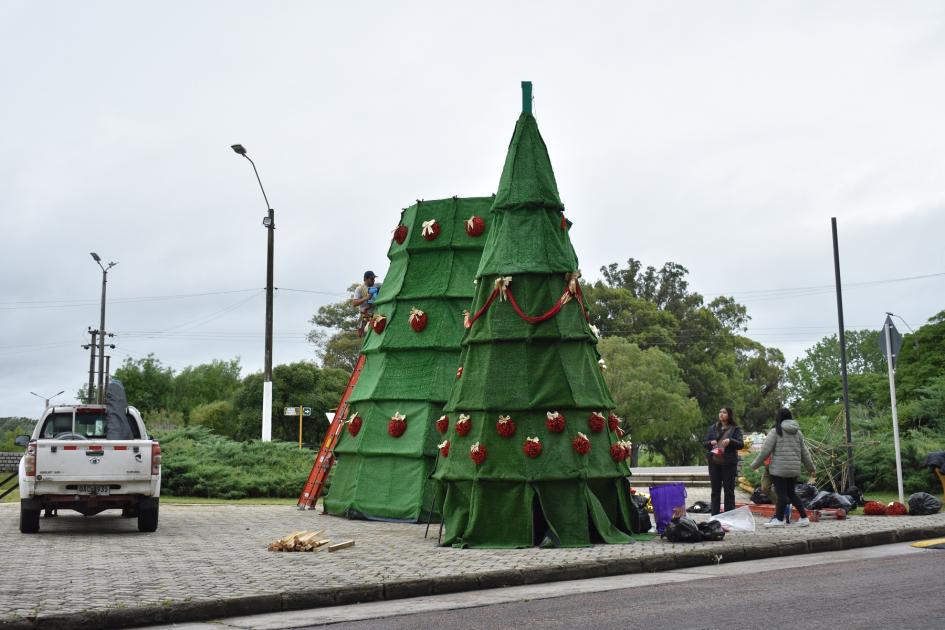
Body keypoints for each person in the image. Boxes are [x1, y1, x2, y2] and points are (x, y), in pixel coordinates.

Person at [751, 407, 816, 527]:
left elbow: (765, 451)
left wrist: (754, 465)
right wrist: (811, 468)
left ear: (779, 417)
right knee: (791, 494)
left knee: (781, 495)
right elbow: (805, 453)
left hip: (779, 470)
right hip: (794, 470)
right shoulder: (798, 433)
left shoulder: (775, 431)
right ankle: (804, 517)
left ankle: (779, 520)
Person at [703, 407, 744, 515]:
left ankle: (729, 516)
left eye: (724, 412)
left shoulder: (735, 429)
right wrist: (710, 443)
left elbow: (741, 444)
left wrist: (730, 441)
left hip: (729, 464)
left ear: (729, 415)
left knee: (729, 492)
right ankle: (715, 516)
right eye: (720, 412)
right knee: (715, 492)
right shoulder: (713, 428)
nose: (721, 414)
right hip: (714, 463)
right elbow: (704, 443)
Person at [352, 270, 381, 337]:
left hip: (376, 314)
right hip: (365, 315)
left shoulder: (378, 286)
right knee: (361, 335)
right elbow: (354, 303)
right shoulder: (359, 289)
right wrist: (366, 298)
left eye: (374, 279)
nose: (373, 280)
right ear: (365, 279)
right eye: (371, 279)